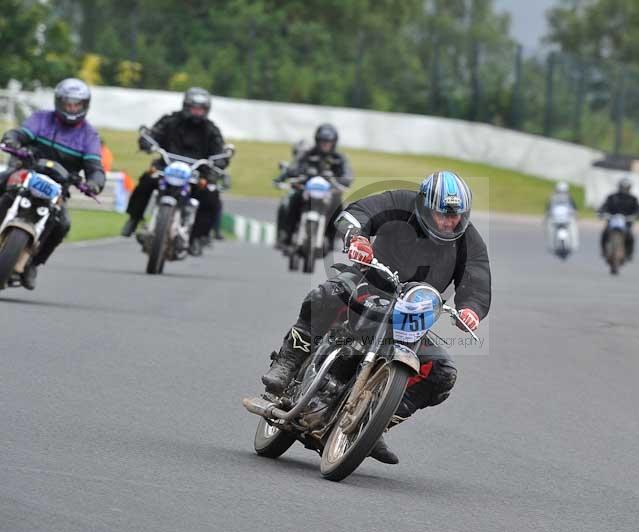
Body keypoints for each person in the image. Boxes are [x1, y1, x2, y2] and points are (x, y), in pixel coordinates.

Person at [248, 171, 490, 464]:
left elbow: (477, 276)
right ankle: (288, 361)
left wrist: (472, 310)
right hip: (369, 282)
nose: (451, 221)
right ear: (425, 205)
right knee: (325, 296)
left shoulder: (468, 239)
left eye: (457, 215)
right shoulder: (399, 202)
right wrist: (357, 239)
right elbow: (356, 213)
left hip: (411, 311)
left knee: (441, 374)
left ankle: (374, 422)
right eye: (444, 214)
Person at [0, 78, 105, 289]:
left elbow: (95, 167)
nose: (72, 108)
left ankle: (32, 264)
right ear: (59, 102)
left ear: (85, 106)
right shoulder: (41, 118)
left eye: (77, 104)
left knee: (63, 224)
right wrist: (12, 140)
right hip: (26, 170)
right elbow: (20, 133)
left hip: (59, 185)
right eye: (67, 103)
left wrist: (94, 183)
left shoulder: (89, 135)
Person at [120, 87, 230, 253]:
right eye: (194, 108)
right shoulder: (170, 120)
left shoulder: (211, 130)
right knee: (146, 180)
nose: (197, 112)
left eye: (201, 109)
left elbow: (219, 150)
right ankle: (134, 218)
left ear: (207, 110)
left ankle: (198, 237)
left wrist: (220, 160)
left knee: (211, 195)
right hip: (166, 165)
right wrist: (147, 141)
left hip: (197, 172)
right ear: (186, 106)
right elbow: (153, 133)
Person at [273, 124, 353, 249]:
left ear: (334, 142)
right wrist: (283, 177)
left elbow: (347, 174)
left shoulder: (339, 158)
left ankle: (333, 239)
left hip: (329, 192)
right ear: (317, 140)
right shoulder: (307, 154)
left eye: (328, 142)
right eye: (323, 141)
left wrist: (344, 181)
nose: (325, 144)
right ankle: (286, 235)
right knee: (291, 200)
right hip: (306, 190)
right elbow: (294, 167)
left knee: (339, 208)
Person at [596, 177, 639, 260]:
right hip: (612, 221)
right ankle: (604, 250)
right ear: (619, 187)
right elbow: (604, 206)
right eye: (623, 187)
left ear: (629, 188)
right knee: (604, 233)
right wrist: (602, 212)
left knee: (630, 236)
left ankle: (629, 253)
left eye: (626, 187)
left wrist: (637, 215)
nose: (624, 189)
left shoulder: (633, 199)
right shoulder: (612, 197)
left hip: (626, 223)